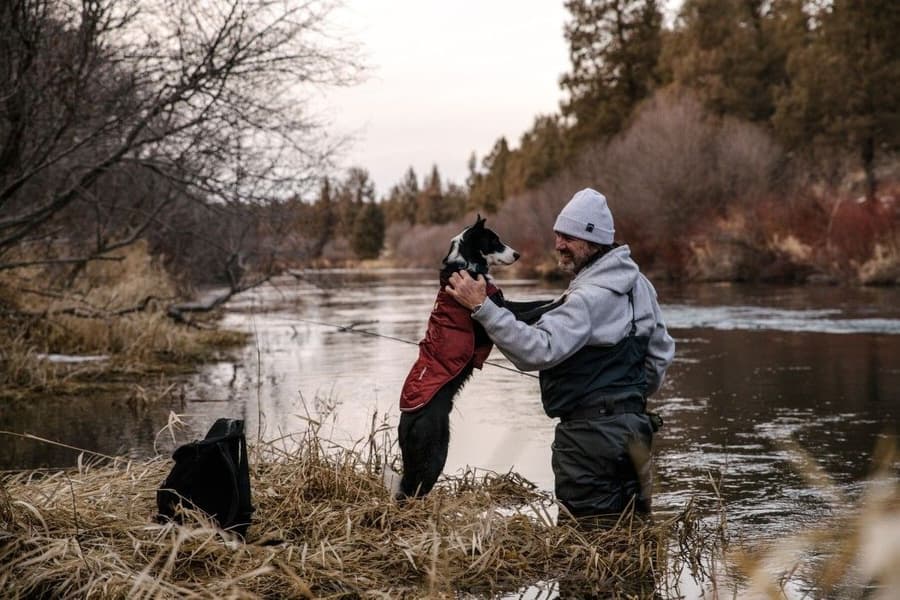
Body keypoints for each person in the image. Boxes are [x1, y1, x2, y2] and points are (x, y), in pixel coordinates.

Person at [446, 188, 675, 523]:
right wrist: (627, 398)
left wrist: (483, 309)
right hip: (636, 430)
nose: (559, 244)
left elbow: (536, 350)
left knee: (584, 550)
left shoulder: (586, 298)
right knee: (636, 540)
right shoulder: (640, 285)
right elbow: (661, 355)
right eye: (557, 234)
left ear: (594, 241)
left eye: (569, 236)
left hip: (588, 442)